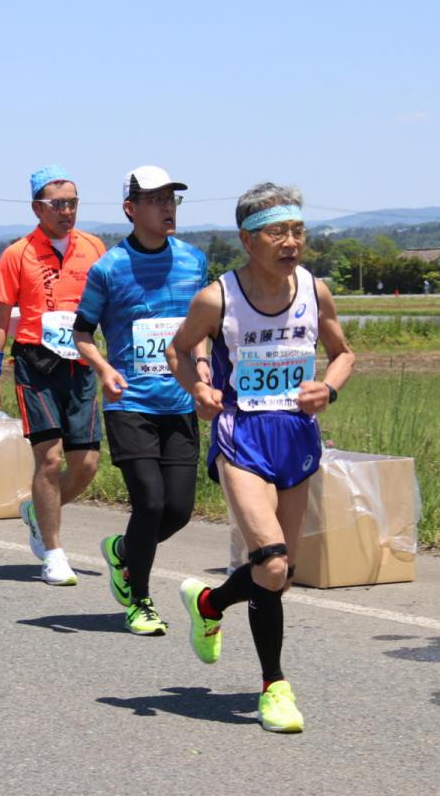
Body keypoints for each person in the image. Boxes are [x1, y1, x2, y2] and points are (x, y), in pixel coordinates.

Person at [167, 183, 355, 733]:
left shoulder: (315, 292)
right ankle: (274, 687)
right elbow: (180, 350)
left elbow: (343, 353)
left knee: (281, 577)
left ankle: (209, 603)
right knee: (270, 563)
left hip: (296, 438)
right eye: (278, 231)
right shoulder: (217, 299)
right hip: (241, 436)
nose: (291, 241)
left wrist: (330, 388)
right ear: (248, 239)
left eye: (298, 231)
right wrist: (196, 390)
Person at [72, 166, 209, 635]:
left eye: (172, 199)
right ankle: (140, 599)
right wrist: (105, 369)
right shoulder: (109, 268)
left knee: (179, 510)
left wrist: (203, 363)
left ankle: (125, 552)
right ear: (131, 209)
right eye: (155, 200)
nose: (167, 208)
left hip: (180, 400)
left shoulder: (194, 260)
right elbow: (81, 332)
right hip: (129, 401)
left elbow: (199, 328)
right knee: (149, 503)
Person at [0, 165, 106, 585]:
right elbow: (0, 318)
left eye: (73, 203)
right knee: (49, 459)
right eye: (58, 204)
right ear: (37, 208)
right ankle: (53, 552)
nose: (67, 211)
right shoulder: (17, 254)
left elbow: (113, 304)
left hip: (81, 361)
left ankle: (37, 510)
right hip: (36, 361)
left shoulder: (93, 248)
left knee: (86, 463)